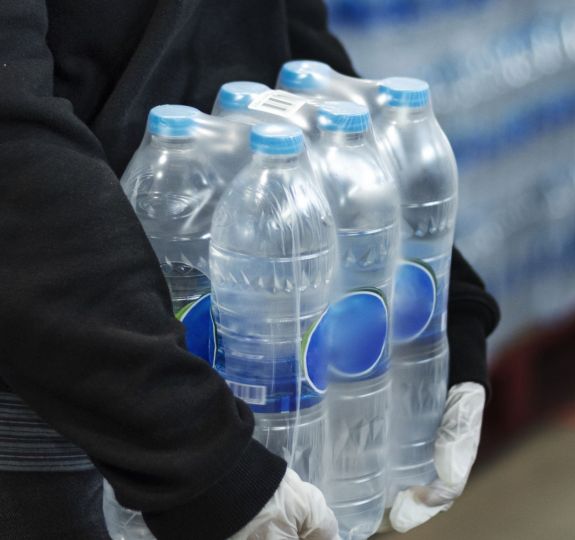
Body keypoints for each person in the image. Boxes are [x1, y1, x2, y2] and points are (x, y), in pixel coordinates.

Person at [0, 1, 500, 538]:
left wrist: (428, 293)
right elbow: (13, 147)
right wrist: (196, 456)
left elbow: (283, 40)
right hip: (67, 431)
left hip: (230, 418)